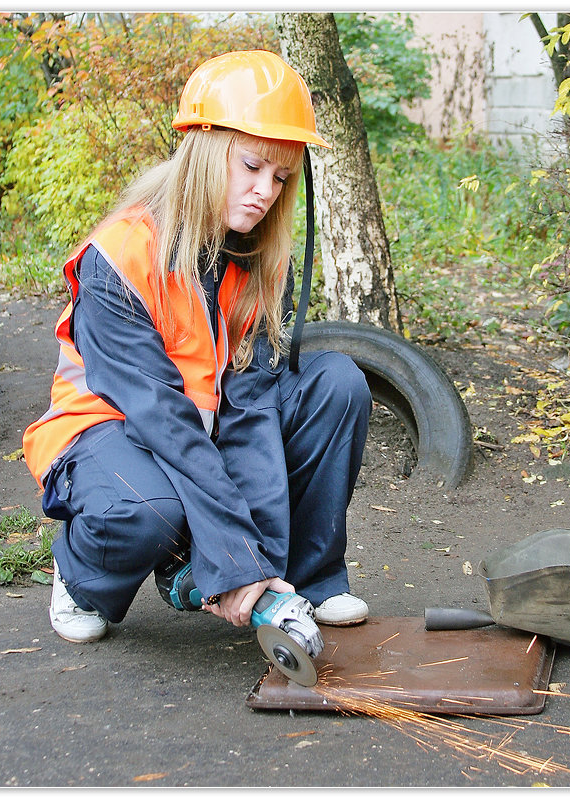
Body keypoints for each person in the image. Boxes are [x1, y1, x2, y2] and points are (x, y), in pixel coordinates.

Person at [22, 50, 372, 644]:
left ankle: (305, 583)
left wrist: (257, 566)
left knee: (335, 384)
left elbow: (249, 406)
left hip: (195, 425)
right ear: (208, 152)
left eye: (282, 178)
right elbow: (162, 420)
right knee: (145, 512)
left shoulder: (255, 256)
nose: (266, 192)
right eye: (252, 166)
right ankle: (81, 580)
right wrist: (232, 559)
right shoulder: (122, 256)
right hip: (110, 427)